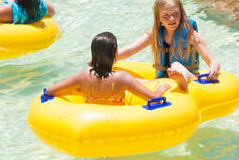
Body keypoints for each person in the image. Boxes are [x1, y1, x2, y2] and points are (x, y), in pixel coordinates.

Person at [116, 0, 219, 92]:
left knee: (175, 65)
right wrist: (106, 60)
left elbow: (212, 60)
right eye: (166, 15)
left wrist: (213, 69)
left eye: (175, 14)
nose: (172, 19)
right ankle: (176, 79)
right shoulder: (155, 34)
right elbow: (129, 50)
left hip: (191, 79)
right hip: (162, 81)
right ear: (159, 18)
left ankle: (182, 78)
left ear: (181, 14)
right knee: (125, 79)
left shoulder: (190, 34)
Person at [43, 32, 171, 105]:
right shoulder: (122, 78)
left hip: (92, 126)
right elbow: (154, 99)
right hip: (117, 125)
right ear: (115, 52)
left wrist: (76, 91)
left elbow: (49, 91)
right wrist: (160, 89)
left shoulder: (82, 76)